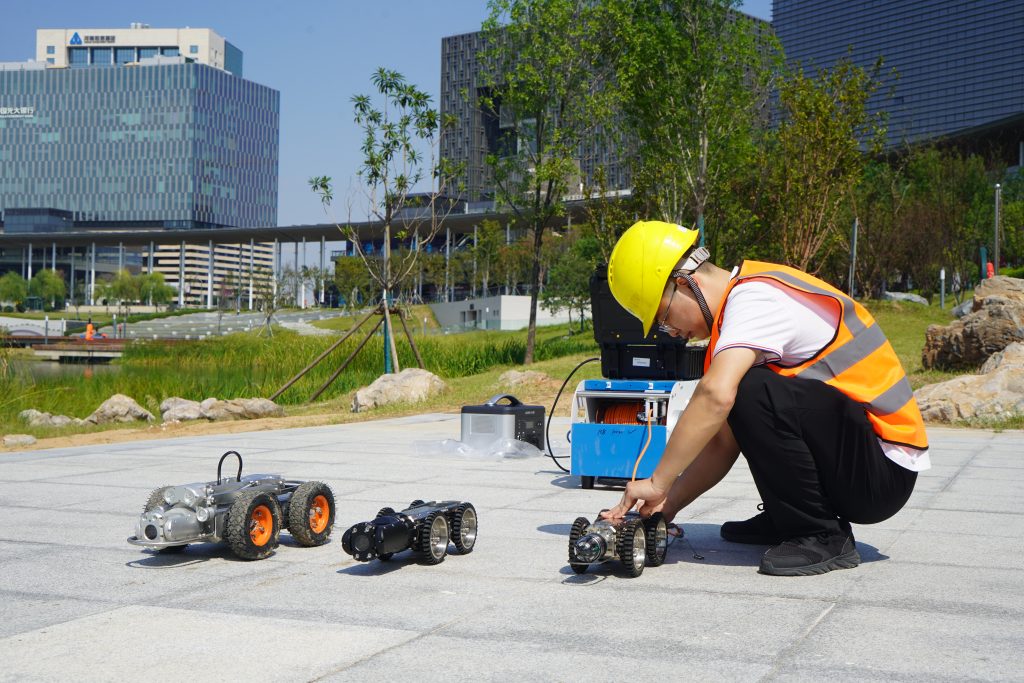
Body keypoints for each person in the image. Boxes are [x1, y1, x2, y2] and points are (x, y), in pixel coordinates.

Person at [601, 220, 929, 576]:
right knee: (747, 394)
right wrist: (668, 504)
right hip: (860, 463)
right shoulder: (733, 324)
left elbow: (716, 396)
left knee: (749, 389)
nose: (673, 334)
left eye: (663, 318)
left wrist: (656, 480)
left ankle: (819, 534)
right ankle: (789, 518)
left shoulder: (754, 298)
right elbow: (722, 443)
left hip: (882, 472)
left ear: (683, 283)